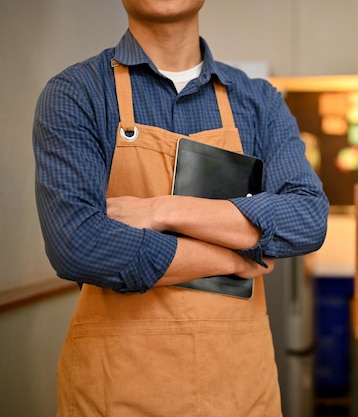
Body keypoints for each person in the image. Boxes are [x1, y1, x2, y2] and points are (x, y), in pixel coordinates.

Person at [32, 1, 329, 416]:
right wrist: (232, 259)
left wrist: (163, 210)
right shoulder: (77, 94)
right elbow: (79, 245)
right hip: (116, 391)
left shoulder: (258, 102)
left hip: (240, 394)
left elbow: (307, 219)